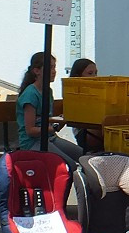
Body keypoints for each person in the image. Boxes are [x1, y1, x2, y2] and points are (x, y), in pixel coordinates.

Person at [16, 53, 87, 188]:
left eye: (54, 67)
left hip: (49, 137)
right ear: (36, 71)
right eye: (50, 68)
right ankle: (58, 201)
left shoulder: (47, 91)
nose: (54, 72)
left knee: (84, 157)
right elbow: (30, 130)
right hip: (32, 142)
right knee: (68, 165)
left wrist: (59, 121)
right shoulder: (30, 94)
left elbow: (46, 120)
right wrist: (52, 127)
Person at [67, 58, 103, 152]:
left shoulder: (98, 91)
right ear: (78, 76)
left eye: (96, 73)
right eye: (90, 73)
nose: (95, 77)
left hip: (96, 129)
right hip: (83, 132)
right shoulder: (73, 93)